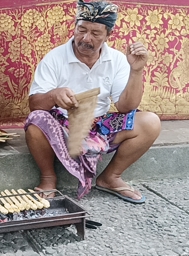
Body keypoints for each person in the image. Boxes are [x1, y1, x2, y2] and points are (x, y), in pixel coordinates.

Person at [25, 0, 161, 204]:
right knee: (36, 121)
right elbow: (35, 104)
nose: (85, 38)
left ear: (108, 35)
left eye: (95, 33)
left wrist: (136, 71)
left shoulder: (116, 60)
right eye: (81, 30)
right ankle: (48, 178)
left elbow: (126, 107)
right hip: (63, 124)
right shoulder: (55, 58)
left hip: (101, 126)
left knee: (150, 122)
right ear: (75, 27)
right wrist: (54, 95)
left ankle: (110, 178)